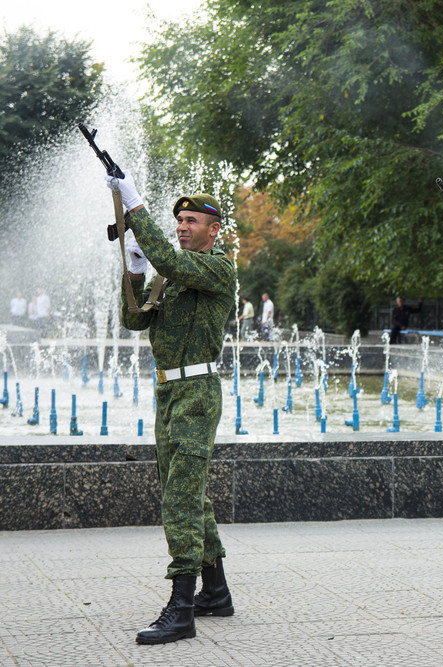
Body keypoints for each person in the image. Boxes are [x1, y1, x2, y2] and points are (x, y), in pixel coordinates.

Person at [107, 170, 237, 644]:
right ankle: (216, 592)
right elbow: (134, 320)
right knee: (188, 493)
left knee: (180, 498)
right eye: (179, 220)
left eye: (191, 221)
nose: (182, 226)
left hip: (198, 394)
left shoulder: (218, 268)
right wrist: (135, 269)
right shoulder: (174, 274)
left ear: (213, 230)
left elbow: (168, 256)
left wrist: (134, 205)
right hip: (169, 393)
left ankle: (181, 609)